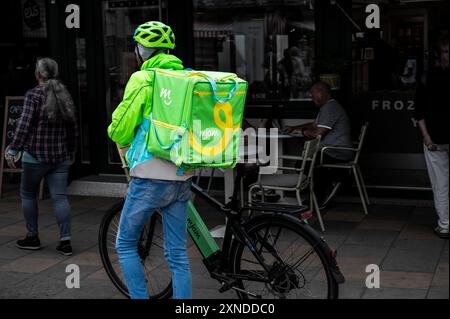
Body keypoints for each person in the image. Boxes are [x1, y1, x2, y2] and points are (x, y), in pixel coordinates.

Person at [107, 21, 193, 299]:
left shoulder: (143, 79)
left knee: (125, 243)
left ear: (141, 51)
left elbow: (119, 128)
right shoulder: (188, 78)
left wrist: (116, 129)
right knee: (178, 253)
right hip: (182, 174)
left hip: (150, 175)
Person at [4, 57, 79, 256]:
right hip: (60, 157)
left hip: (34, 157)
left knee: (28, 195)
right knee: (60, 198)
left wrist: (13, 149)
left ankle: (32, 237)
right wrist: (71, 151)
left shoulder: (33, 95)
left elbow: (24, 125)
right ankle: (65, 242)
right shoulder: (65, 94)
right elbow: (73, 127)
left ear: (38, 74)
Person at [285, 81, 353, 208]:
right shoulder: (327, 107)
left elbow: (317, 134)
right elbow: (314, 125)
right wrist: (294, 127)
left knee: (306, 163)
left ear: (321, 93)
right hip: (332, 150)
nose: (311, 97)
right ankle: (324, 188)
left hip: (336, 151)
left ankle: (322, 194)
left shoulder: (330, 108)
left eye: (312, 94)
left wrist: (302, 131)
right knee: (306, 162)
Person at [414, 33, 449, 239]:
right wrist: (427, 137)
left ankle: (445, 224)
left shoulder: (427, 77)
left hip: (434, 138)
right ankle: (444, 223)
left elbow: (419, 111)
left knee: (441, 183)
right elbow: (419, 110)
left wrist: (426, 136)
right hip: (435, 139)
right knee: (441, 183)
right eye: (446, 51)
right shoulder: (428, 77)